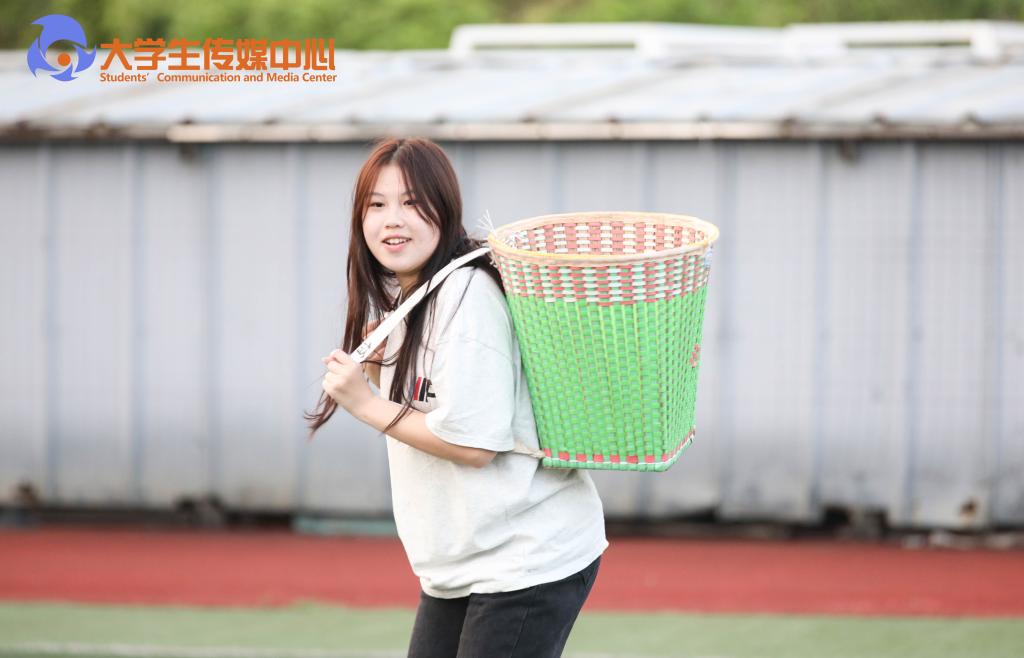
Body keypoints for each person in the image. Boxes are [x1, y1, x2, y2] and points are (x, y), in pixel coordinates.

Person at [305, 137, 608, 658]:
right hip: (461, 566)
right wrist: (380, 372)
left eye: (410, 202)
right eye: (376, 205)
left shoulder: (466, 297)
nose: (392, 220)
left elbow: (473, 445)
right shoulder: (415, 297)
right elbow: (437, 404)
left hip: (524, 559)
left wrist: (366, 403)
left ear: (444, 209)